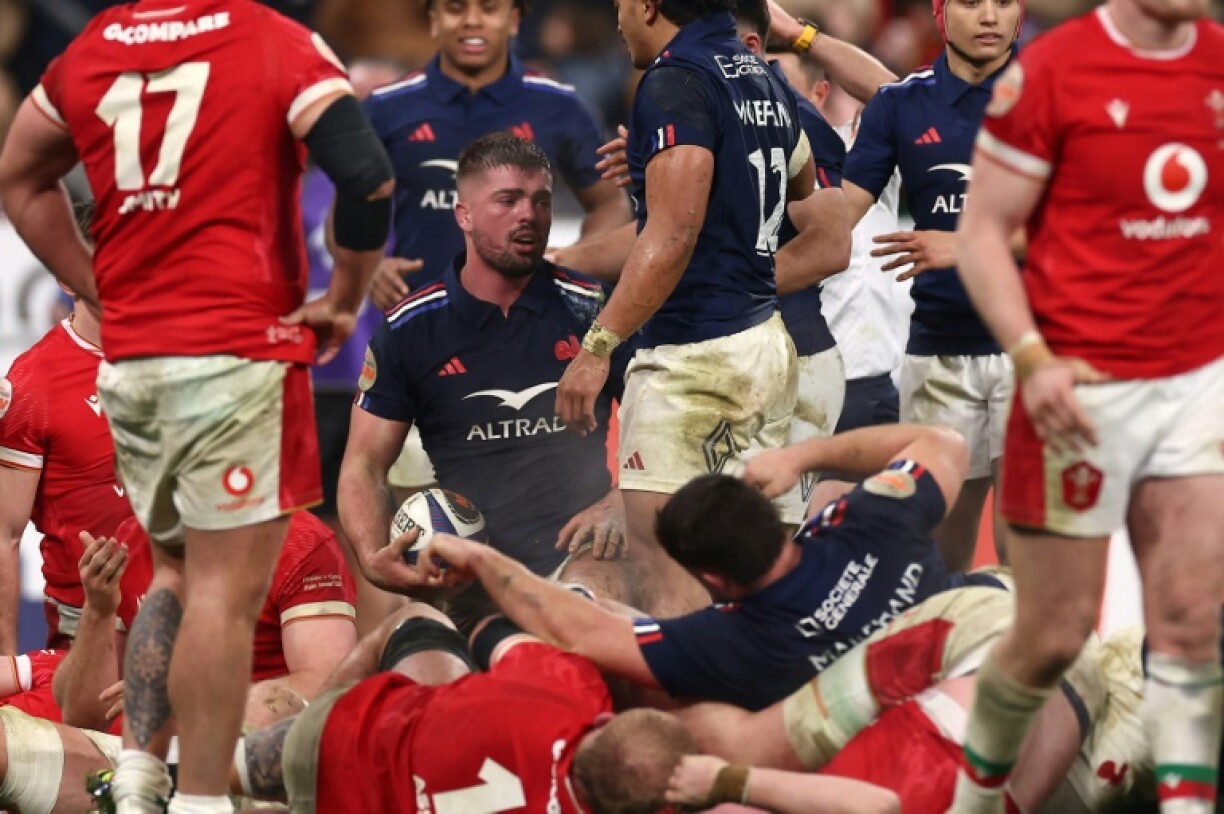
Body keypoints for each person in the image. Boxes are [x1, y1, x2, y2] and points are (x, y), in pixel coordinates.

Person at [0, 1, 395, 810]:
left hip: (132, 365)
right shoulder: (271, 37)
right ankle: (203, 799)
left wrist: (99, 288)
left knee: (173, 569)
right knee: (224, 589)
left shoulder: (98, 44)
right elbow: (366, 175)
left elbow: (17, 176)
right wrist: (346, 296)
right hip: (231, 348)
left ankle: (141, 774)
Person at [947, 1, 1224, 811]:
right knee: (1052, 637)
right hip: (1078, 389)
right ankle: (972, 805)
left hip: (1195, 386)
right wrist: (1032, 357)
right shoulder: (1052, 72)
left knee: (1190, 623)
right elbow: (982, 233)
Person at [419, 423, 1005, 710]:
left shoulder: (733, 641)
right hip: (983, 651)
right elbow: (946, 445)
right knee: (829, 491)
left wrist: (481, 560)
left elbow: (584, 633)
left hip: (903, 732)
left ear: (715, 581)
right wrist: (802, 455)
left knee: (706, 724)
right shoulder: (871, 522)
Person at [550, 0, 825, 576]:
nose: (618, 21)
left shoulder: (674, 80)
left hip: (695, 358)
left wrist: (597, 349)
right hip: (767, 345)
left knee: (669, 571)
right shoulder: (763, 76)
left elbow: (672, 235)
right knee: (755, 570)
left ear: (648, 6)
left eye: (621, 6)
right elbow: (809, 198)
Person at [338, 133, 666, 613]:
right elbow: (363, 465)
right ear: (464, 215)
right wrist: (371, 558)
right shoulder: (408, 329)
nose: (528, 215)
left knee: (584, 604)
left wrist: (623, 498)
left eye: (541, 201)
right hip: (465, 575)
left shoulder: (596, 310)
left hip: (582, 557)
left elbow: (663, 415)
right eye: (507, 201)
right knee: (414, 652)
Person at [359, 0, 632, 509]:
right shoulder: (386, 108)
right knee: (421, 515)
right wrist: (368, 265)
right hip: (422, 349)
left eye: (488, 8)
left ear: (515, 20)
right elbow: (346, 215)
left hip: (534, 343)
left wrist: (574, 261)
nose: (471, 21)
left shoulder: (558, 104)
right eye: (454, 8)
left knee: (546, 508)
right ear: (433, 20)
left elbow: (609, 202)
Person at [832, 0, 1025, 570]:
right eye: (971, 2)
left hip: (1033, 351)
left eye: (1004, 2)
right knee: (934, 558)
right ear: (939, 13)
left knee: (1024, 555)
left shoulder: (1054, 95)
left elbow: (1084, 222)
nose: (989, 16)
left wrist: (963, 246)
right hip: (938, 354)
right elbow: (839, 214)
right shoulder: (899, 104)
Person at [0, 511, 359, 814]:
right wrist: (99, 609)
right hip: (143, 763)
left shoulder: (297, 539)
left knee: (273, 706)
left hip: (257, 763)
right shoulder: (133, 538)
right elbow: (84, 715)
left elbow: (329, 687)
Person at [229, 603, 697, 813]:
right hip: (361, 796)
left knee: (418, 619)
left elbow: (493, 631)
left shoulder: (571, 695)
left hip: (340, 743)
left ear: (605, 721)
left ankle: (225, 772)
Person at [0, 287, 132, 653]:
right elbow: (5, 536)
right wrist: (6, 663)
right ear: (65, 279)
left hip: (185, 608)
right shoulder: (32, 381)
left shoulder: (181, 358)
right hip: (89, 624)